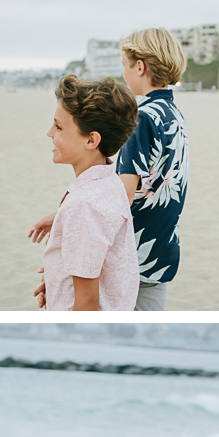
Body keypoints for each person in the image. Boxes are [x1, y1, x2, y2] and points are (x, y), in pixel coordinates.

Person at [27, 76, 139, 311]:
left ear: (91, 139)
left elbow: (87, 304)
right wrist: (58, 280)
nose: (49, 133)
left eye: (58, 126)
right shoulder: (111, 182)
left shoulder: (84, 205)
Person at [117, 27, 189, 311]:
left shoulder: (141, 118)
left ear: (140, 66)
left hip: (134, 248)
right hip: (163, 244)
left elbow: (123, 194)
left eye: (124, 65)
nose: (123, 74)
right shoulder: (175, 115)